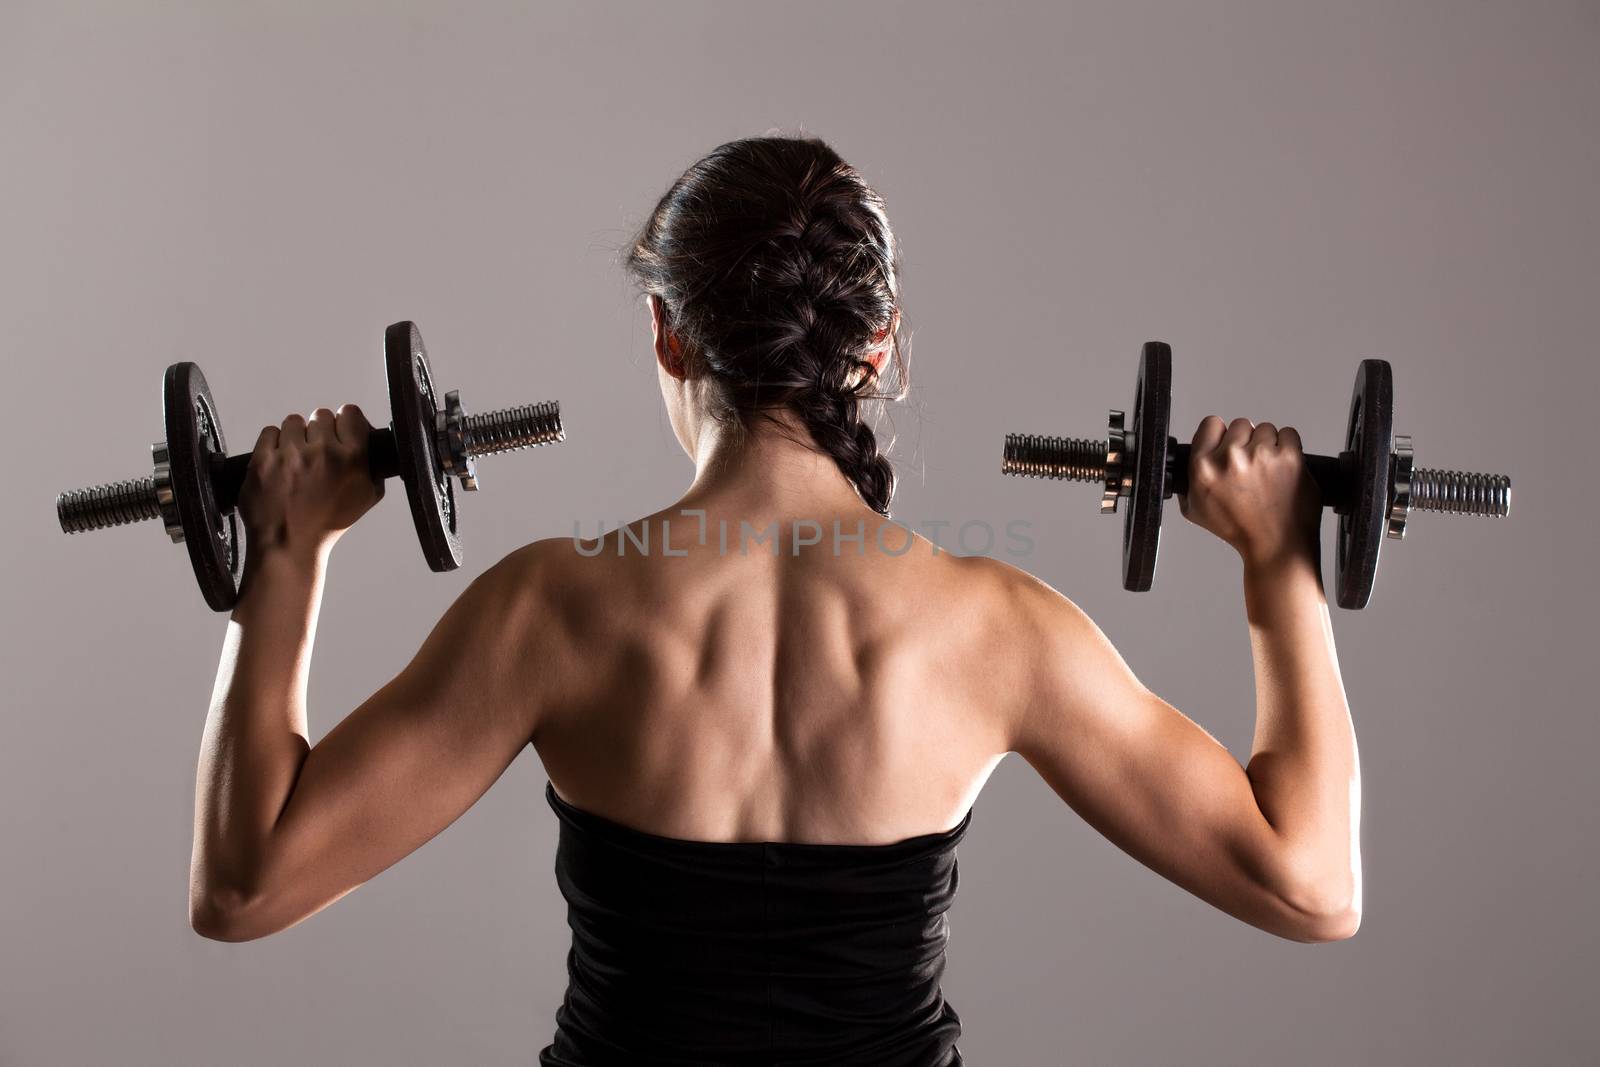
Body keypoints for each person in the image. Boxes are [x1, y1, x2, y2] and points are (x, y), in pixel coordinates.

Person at [188, 135, 1360, 1065]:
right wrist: (1276, 556)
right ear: (876, 345)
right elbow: (1309, 886)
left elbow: (244, 888)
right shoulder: (998, 627)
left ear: (666, 332)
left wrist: (284, 552)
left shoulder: (550, 608)